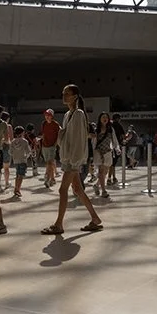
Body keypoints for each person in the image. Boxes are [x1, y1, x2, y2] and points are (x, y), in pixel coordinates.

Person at [41, 84, 103, 235]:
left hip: (72, 159)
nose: (64, 96)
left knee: (63, 190)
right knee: (77, 189)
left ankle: (59, 224)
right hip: (69, 158)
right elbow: (68, 137)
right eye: (63, 93)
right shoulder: (69, 114)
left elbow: (78, 139)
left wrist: (74, 161)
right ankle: (95, 218)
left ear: (75, 96)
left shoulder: (78, 114)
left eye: (67, 94)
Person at [91, 112, 119, 198]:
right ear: (100, 119)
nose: (105, 119)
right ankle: (103, 191)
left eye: (106, 117)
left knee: (105, 171)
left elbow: (114, 139)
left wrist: (117, 148)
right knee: (101, 171)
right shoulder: (96, 129)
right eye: (103, 117)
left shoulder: (110, 129)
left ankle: (96, 185)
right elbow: (93, 142)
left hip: (107, 152)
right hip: (99, 152)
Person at [9, 125, 32, 198]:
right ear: (22, 133)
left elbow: (10, 152)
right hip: (22, 160)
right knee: (21, 176)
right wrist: (26, 156)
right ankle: (17, 190)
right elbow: (28, 151)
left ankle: (16, 188)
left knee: (17, 175)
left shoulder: (13, 141)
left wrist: (14, 155)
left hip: (16, 160)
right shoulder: (25, 141)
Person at [40, 109, 60, 188]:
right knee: (49, 163)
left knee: (49, 163)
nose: (47, 117)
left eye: (48, 115)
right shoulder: (44, 123)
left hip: (52, 146)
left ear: (52, 116)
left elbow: (59, 135)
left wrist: (55, 144)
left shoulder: (55, 124)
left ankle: (47, 179)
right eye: (46, 115)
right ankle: (52, 179)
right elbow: (43, 134)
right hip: (45, 146)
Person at [108, 113, 126, 185]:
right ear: (118, 119)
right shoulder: (118, 125)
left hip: (109, 145)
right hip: (116, 146)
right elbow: (123, 136)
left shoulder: (109, 125)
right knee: (113, 163)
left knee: (112, 163)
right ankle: (109, 178)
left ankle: (114, 177)